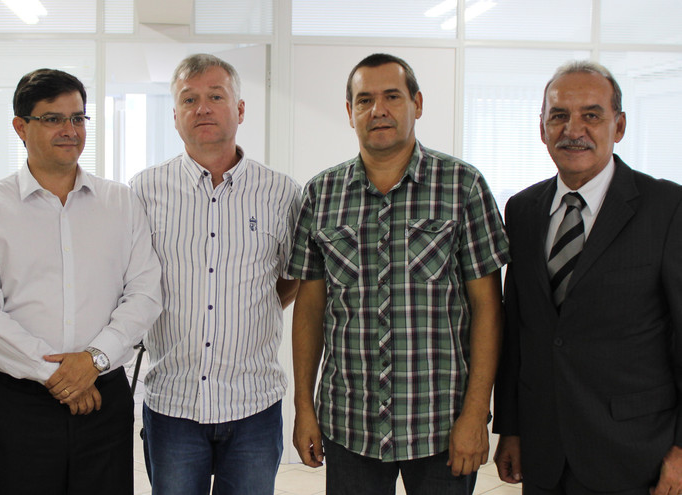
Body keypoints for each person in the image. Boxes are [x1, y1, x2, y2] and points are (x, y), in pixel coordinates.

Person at [288, 53, 509, 495]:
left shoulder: (462, 186)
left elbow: (488, 308)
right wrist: (304, 406)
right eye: (364, 100)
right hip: (350, 422)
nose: (378, 110)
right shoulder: (321, 194)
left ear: (417, 104)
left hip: (441, 423)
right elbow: (310, 308)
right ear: (350, 111)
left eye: (392, 96)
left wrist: (475, 414)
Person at [0, 68, 161, 495]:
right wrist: (58, 375)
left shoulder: (121, 202)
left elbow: (144, 293)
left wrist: (93, 361)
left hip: (103, 399)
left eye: (78, 118)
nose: (70, 130)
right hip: (19, 404)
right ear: (20, 127)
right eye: (53, 118)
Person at [493, 60, 682, 495]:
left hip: (636, 453)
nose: (572, 129)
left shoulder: (667, 208)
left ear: (620, 126)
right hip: (544, 449)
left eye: (591, 115)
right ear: (542, 129)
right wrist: (512, 428)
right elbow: (519, 330)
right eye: (558, 115)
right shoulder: (522, 211)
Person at [129, 53, 301, 494]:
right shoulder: (144, 191)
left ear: (240, 110)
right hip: (173, 404)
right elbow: (131, 282)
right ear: (175, 116)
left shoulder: (281, 192)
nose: (202, 108)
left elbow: (291, 276)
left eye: (216, 96)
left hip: (254, 405)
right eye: (189, 99)